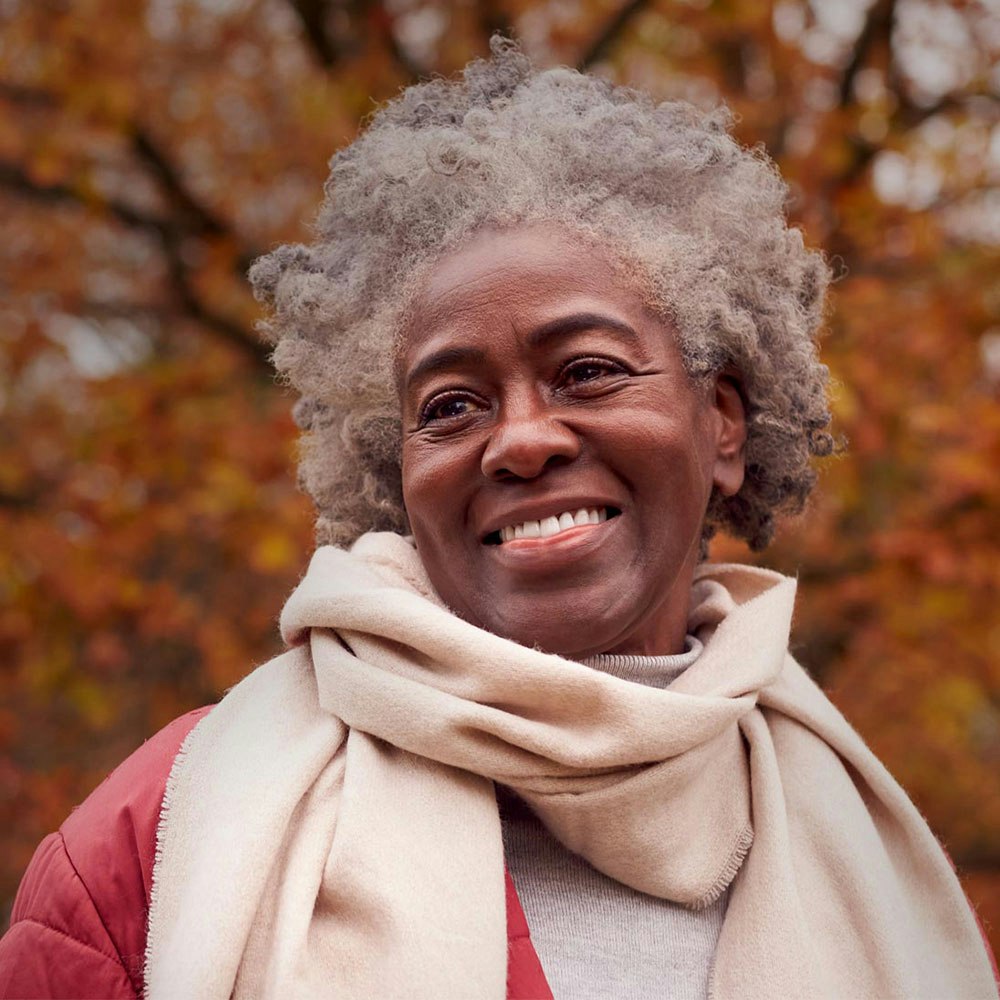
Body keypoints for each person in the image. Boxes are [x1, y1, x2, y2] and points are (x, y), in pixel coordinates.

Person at [1, 36, 997, 1000]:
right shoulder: (170, 831)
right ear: (398, 471)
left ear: (722, 422)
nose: (520, 440)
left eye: (588, 371)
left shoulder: (881, 865)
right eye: (450, 405)